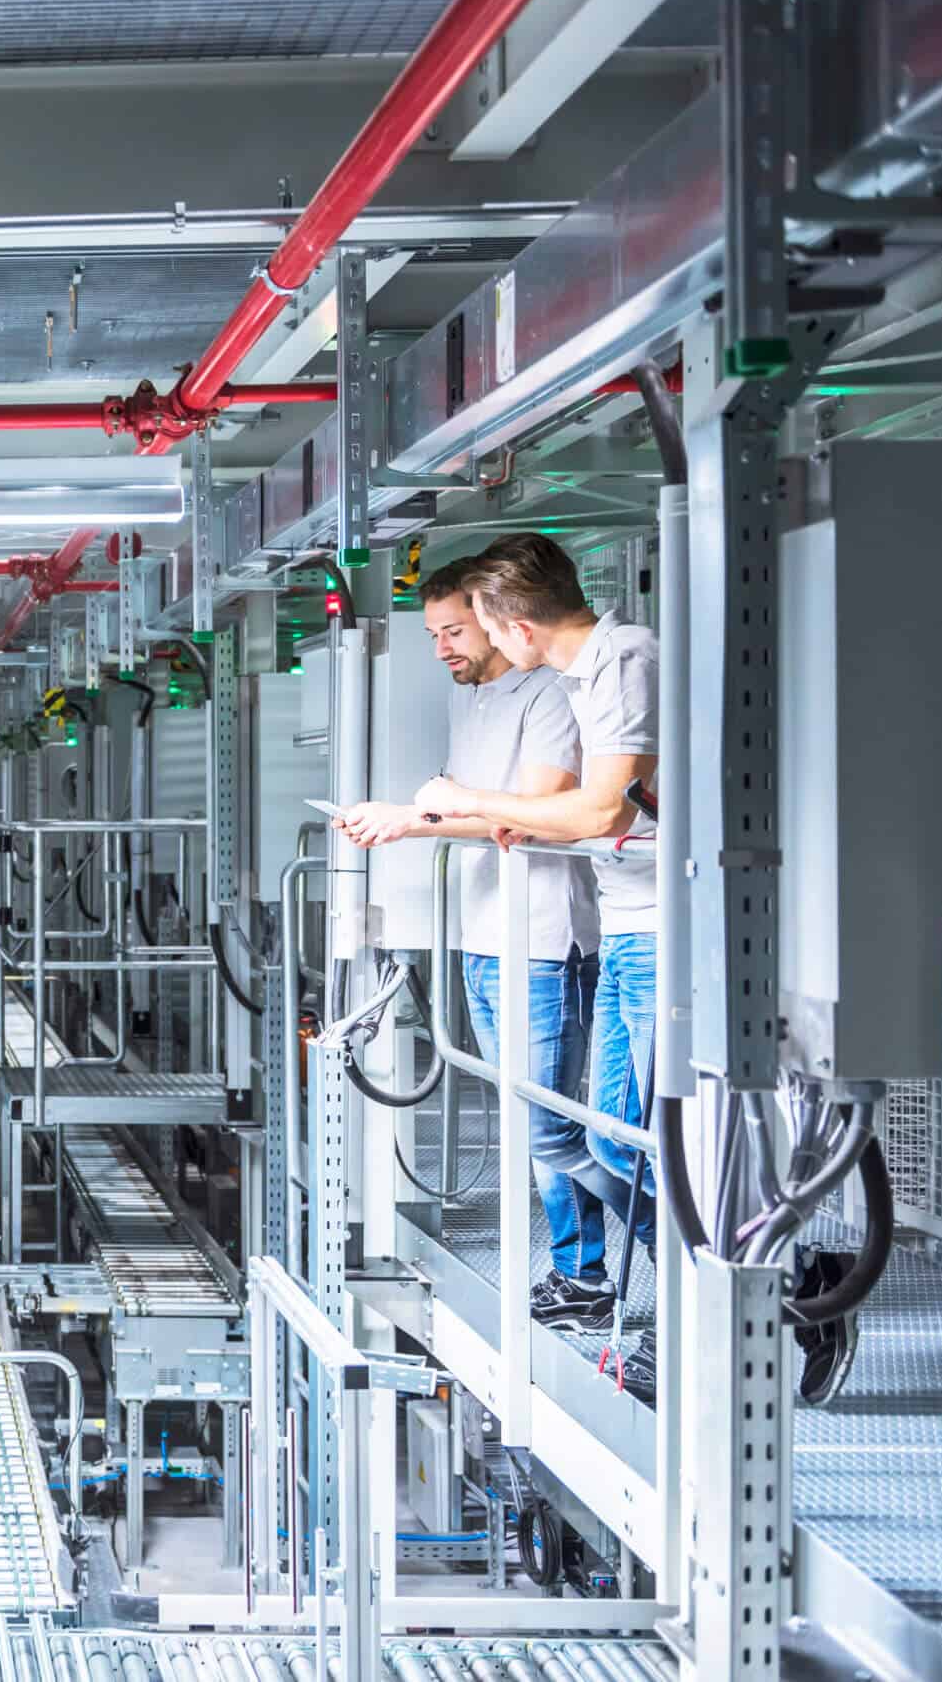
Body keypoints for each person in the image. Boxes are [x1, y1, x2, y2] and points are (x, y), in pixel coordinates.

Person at [335, 558, 611, 1331]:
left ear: (494, 620)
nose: (443, 648)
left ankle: (597, 1270)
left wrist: (411, 819)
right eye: (434, 635)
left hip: (544, 937)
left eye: (455, 630)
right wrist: (408, 816)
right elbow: (463, 806)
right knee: (529, 1124)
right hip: (482, 933)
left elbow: (538, 808)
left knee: (546, 1124)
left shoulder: (549, 693)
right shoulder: (473, 696)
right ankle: (581, 1270)